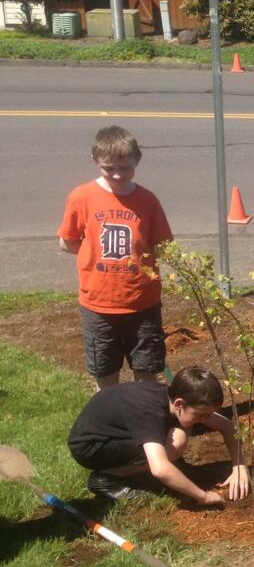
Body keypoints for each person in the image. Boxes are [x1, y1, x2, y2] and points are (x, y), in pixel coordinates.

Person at [58, 125, 174, 390]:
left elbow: (163, 246)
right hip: (98, 304)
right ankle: (111, 423)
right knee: (105, 372)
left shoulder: (147, 200)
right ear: (95, 161)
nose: (118, 175)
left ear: (137, 161)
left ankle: (143, 421)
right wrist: (93, 254)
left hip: (142, 303)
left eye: (125, 168)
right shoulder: (81, 197)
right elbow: (67, 241)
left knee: (147, 371)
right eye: (108, 168)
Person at [67, 366, 249, 505]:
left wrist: (239, 466)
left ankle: (135, 470)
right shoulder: (149, 412)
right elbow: (160, 469)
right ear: (179, 404)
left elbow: (227, 425)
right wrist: (204, 496)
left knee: (177, 439)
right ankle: (106, 478)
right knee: (174, 446)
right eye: (201, 415)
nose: (205, 420)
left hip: (115, 434)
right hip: (92, 447)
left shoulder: (174, 398)